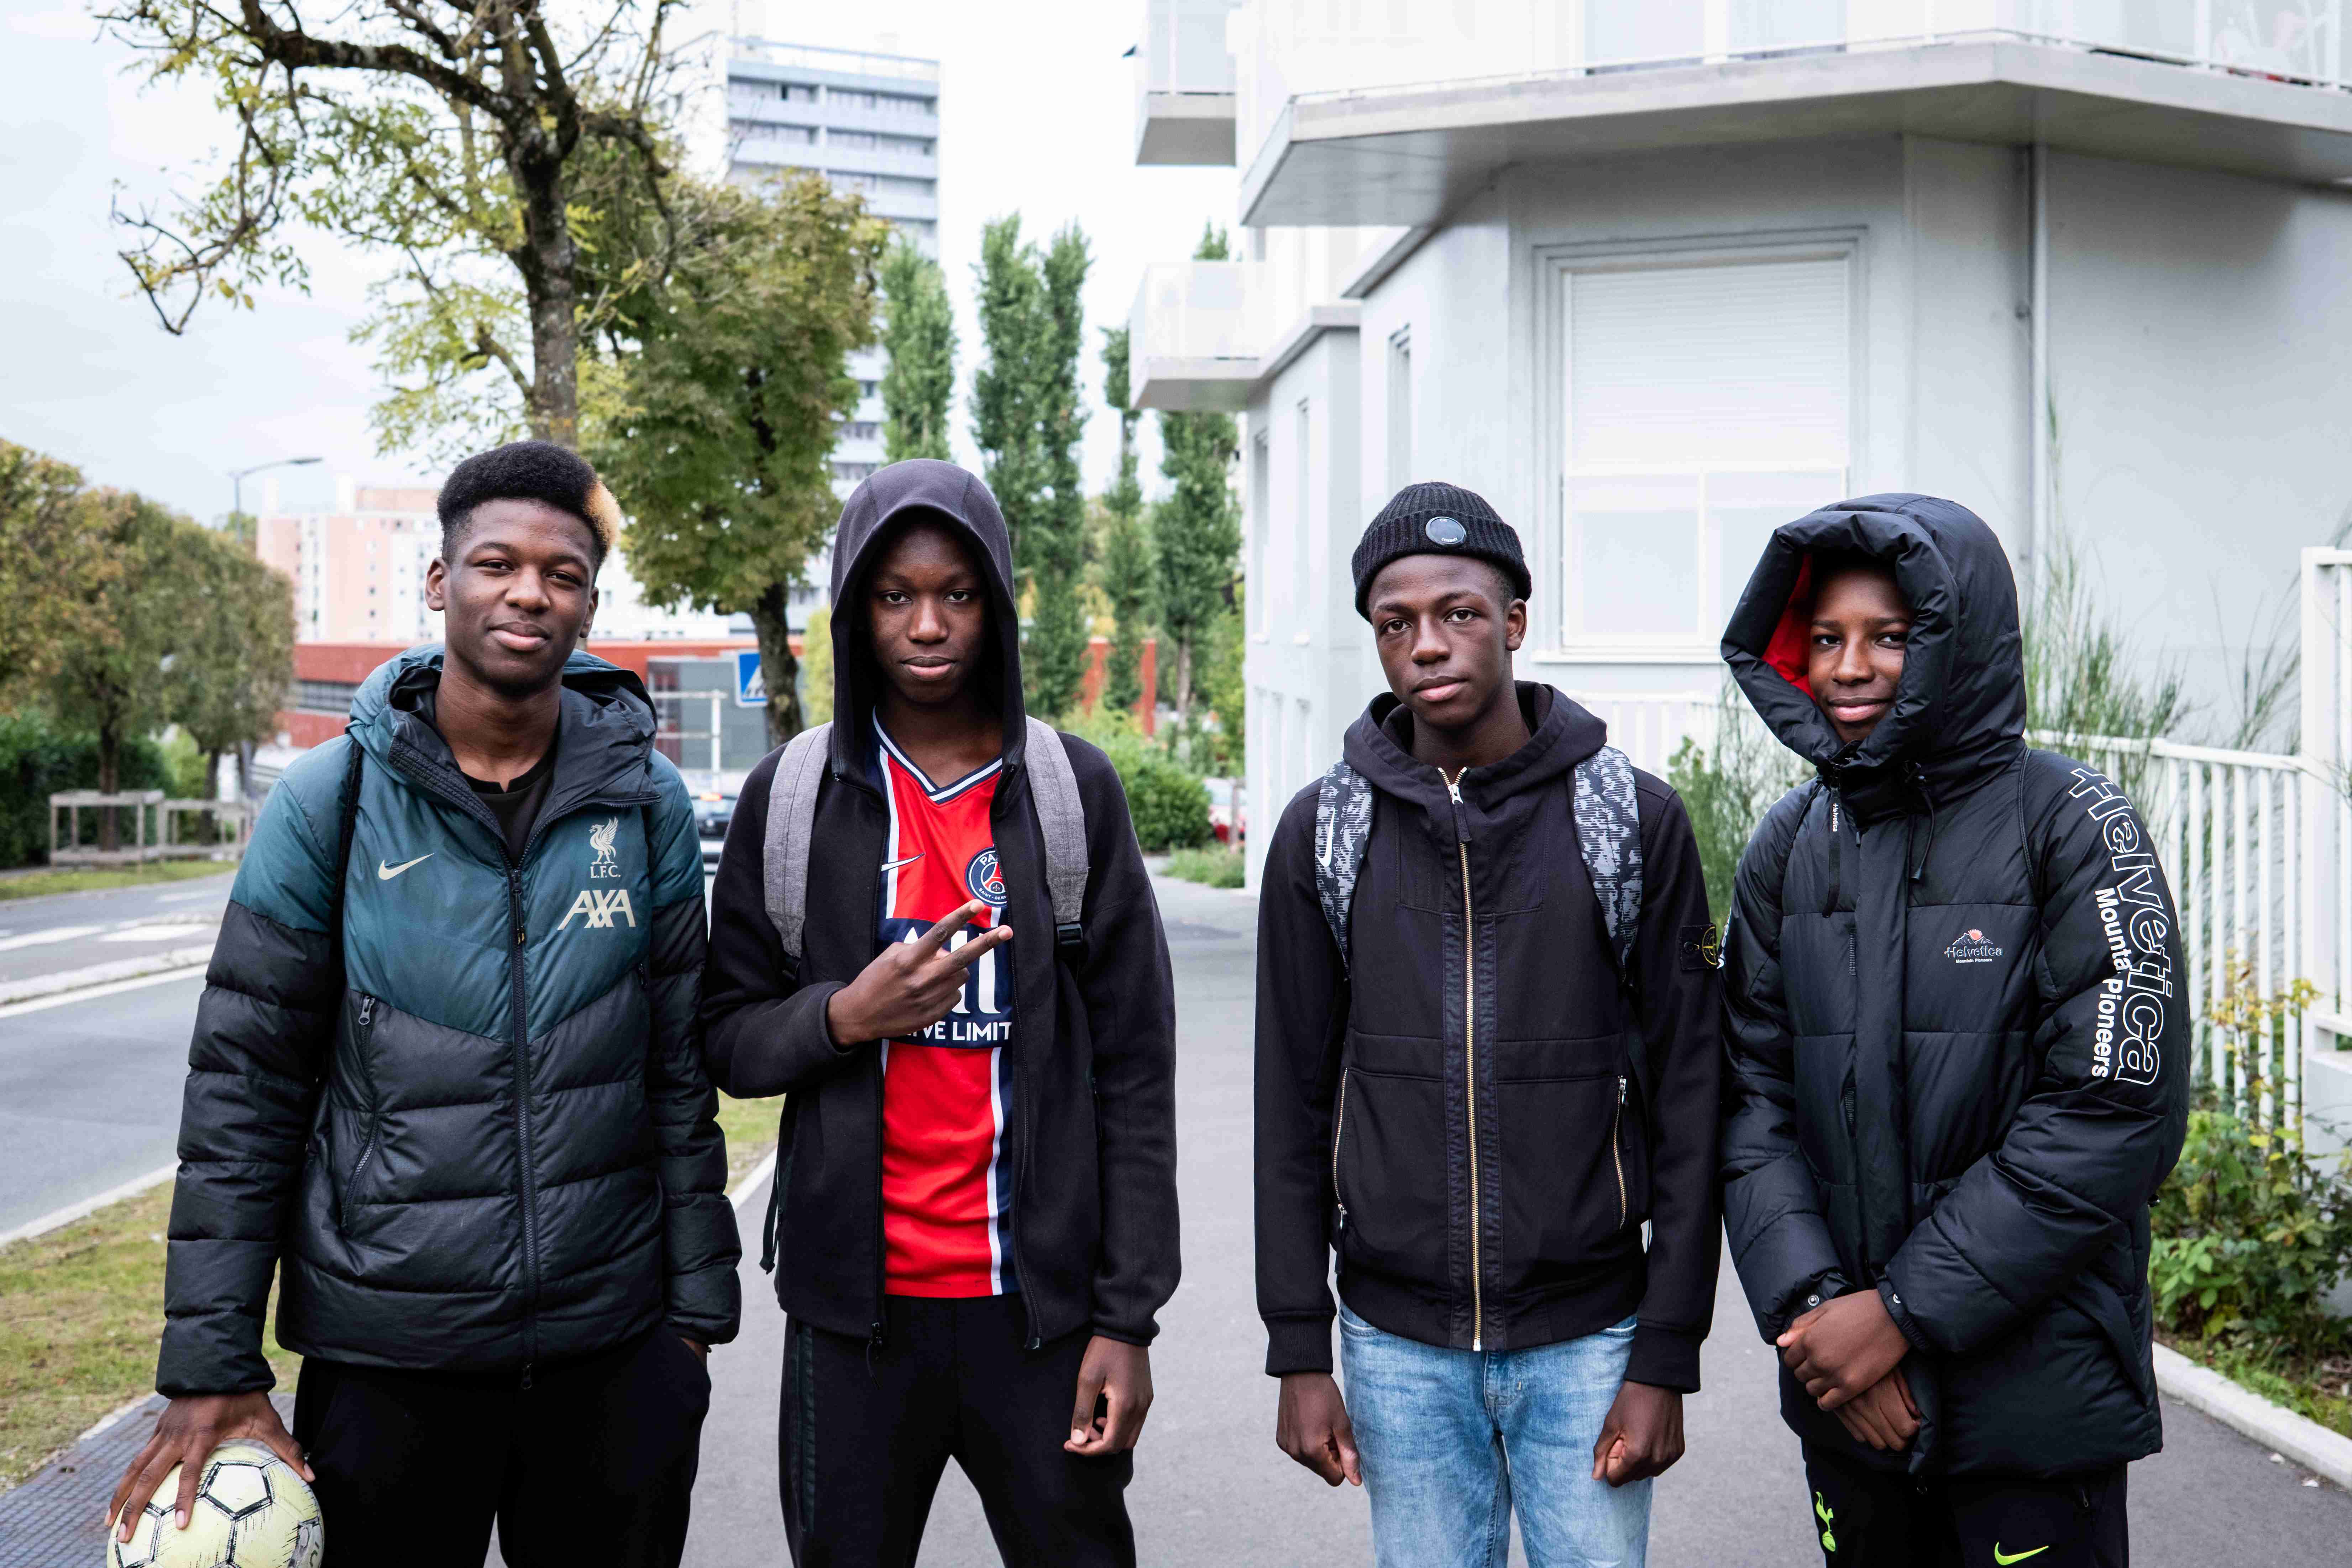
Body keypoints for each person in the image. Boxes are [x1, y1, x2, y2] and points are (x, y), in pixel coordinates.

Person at [110, 441, 738, 1567]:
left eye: (563, 573)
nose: (529, 592)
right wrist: (212, 1363)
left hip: (613, 1354)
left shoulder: (641, 800)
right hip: (390, 1357)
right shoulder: (330, 801)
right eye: (497, 563)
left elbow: (675, 1071)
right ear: (442, 581)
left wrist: (692, 1323)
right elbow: (242, 1095)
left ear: (590, 603)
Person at [699, 458, 1179, 1568]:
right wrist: (846, 1016)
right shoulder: (794, 797)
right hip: (852, 1323)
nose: (927, 625)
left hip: (1041, 1316)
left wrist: (1125, 1320)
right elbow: (729, 1036)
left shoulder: (1069, 792)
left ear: (998, 605)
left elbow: (1137, 1074)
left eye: (958, 594)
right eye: (894, 595)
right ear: (854, 614)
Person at [1253, 483, 1722, 1568]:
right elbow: (1293, 1102)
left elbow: (1694, 1097)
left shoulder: (1632, 821)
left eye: (1459, 612)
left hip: (1593, 1342)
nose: (1428, 643)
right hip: (1396, 1348)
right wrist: (1298, 1348)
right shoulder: (1325, 831)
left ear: (1514, 620)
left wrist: (1666, 1354)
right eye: (1396, 623)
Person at [1718, 493, 2190, 1567]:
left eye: (1889, 637)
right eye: (1827, 638)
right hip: (1847, 1403)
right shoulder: (1786, 846)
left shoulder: (2074, 826)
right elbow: (1749, 1098)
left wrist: (1902, 1314)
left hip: (2031, 1411)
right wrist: (1820, 1312)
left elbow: (2115, 1112)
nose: (1848, 668)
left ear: (1954, 641)